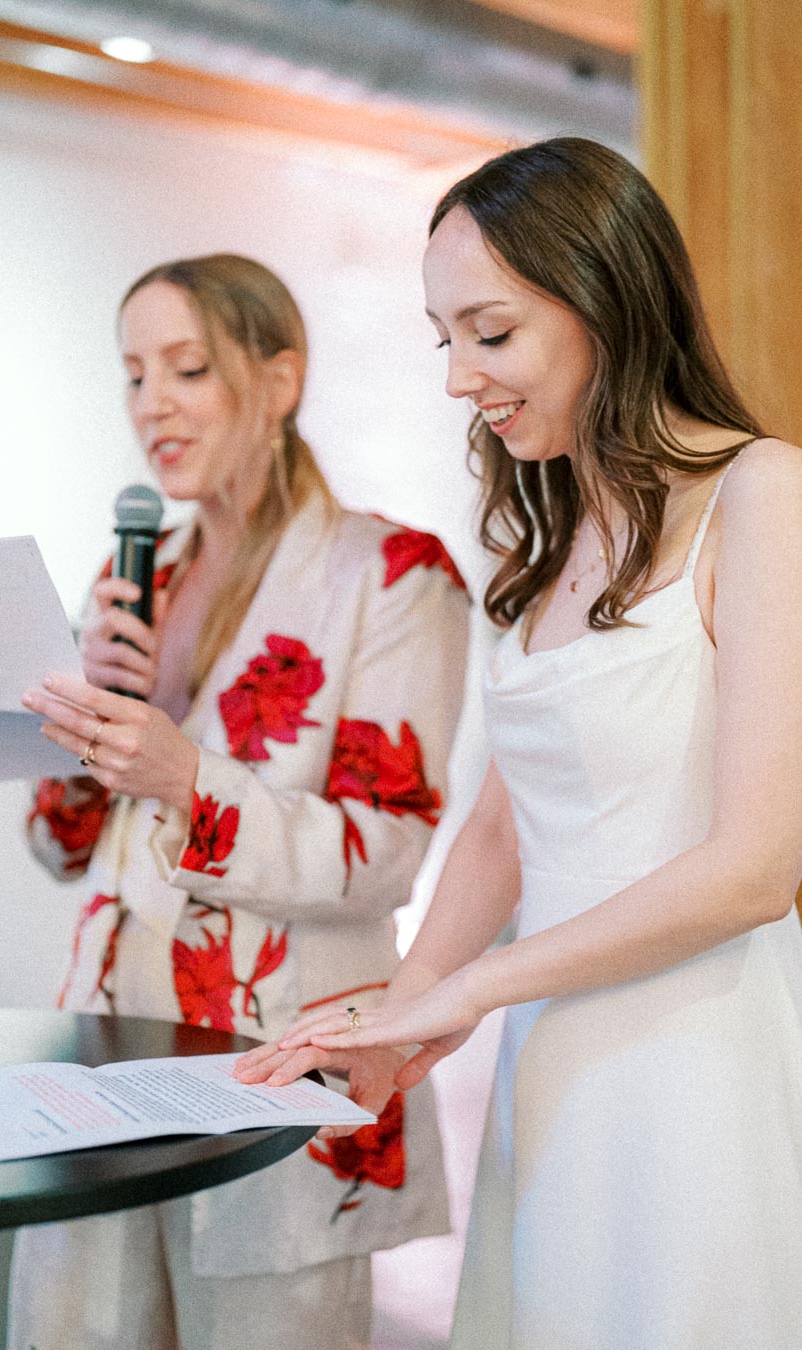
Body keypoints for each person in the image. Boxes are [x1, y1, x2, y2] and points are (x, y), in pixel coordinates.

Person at [235, 138, 802, 1348]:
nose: (460, 379)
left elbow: (755, 869)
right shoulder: (539, 537)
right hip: (557, 1048)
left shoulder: (764, 496)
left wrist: (473, 993)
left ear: (605, 298)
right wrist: (404, 1014)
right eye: (446, 340)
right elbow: (505, 818)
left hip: (699, 1047)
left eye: (490, 335)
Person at [10, 253, 470, 1350]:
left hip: (280, 1064)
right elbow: (60, 844)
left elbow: (386, 852)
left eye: (187, 368)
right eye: (131, 375)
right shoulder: (133, 580)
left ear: (278, 381)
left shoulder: (395, 577)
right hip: (106, 1055)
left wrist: (187, 778)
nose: (149, 404)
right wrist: (87, 731)